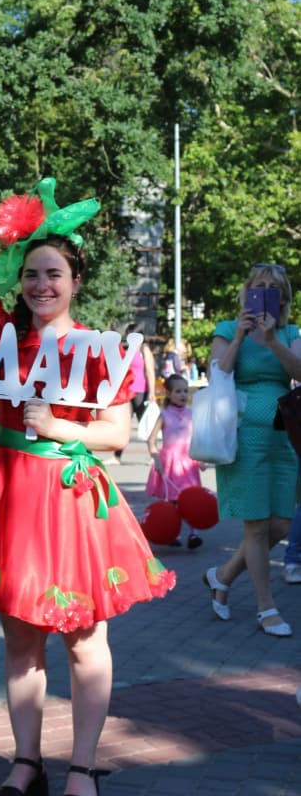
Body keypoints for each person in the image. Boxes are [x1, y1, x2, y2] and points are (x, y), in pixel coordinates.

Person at [0, 164, 175, 796]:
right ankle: (26, 762)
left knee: (83, 640)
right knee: (20, 643)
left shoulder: (103, 350)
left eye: (53, 275)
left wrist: (56, 424)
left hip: (70, 498)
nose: (41, 284)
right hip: (9, 493)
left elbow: (117, 433)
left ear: (73, 284)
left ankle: (84, 765)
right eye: (32, 273)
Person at [202, 263, 301, 637]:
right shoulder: (228, 329)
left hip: (283, 438)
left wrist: (273, 339)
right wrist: (242, 337)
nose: (264, 295)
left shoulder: (290, 333)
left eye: (273, 290)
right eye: (258, 288)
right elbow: (218, 374)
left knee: (281, 524)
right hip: (243, 437)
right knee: (257, 528)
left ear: (283, 300)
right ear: (246, 293)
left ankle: (222, 576)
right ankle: (266, 608)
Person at [145, 374, 207, 549]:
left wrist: (201, 458)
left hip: (188, 462)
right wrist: (155, 457)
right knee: (173, 500)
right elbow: (151, 440)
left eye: (185, 391)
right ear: (169, 394)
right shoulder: (164, 414)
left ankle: (193, 534)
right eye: (178, 391)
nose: (183, 394)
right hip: (171, 462)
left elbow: (197, 438)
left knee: (191, 499)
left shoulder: (192, 414)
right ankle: (172, 532)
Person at [115, 326, 156, 462]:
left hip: (141, 391)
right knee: (124, 423)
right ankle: (117, 457)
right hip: (127, 391)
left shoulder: (144, 350)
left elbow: (150, 371)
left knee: (146, 424)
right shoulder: (127, 351)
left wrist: (152, 392)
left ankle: (153, 455)